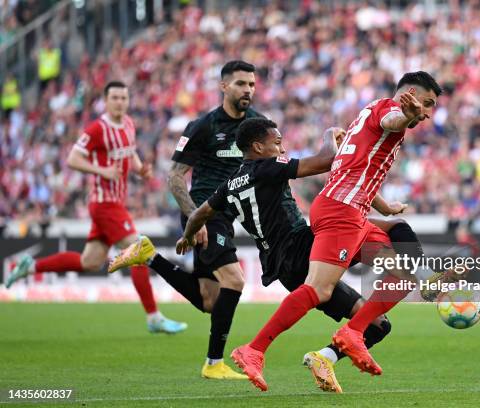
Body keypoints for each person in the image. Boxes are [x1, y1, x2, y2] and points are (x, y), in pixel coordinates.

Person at [116, 118, 425, 392]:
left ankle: (324, 357)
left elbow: (200, 213)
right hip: (299, 247)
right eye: (276, 143)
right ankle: (255, 348)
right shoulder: (267, 169)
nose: (281, 148)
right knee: (381, 230)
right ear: (257, 147)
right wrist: (330, 134)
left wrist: (186, 236)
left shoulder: (229, 185)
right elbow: (327, 161)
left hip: (285, 264)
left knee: (377, 324)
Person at [229, 71, 444, 391]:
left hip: (350, 212)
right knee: (319, 288)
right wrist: (405, 115)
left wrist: (384, 208)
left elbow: (351, 165)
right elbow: (394, 120)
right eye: (426, 104)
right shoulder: (387, 109)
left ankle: (350, 335)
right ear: (409, 94)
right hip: (340, 211)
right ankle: (254, 349)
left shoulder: (367, 116)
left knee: (403, 270)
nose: (427, 113)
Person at [111, 60, 265, 380]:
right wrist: (196, 219)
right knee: (234, 281)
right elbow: (176, 177)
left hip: (228, 217)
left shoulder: (258, 124)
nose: (247, 89)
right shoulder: (204, 125)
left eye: (251, 84)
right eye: (240, 83)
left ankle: (149, 256)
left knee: (210, 301)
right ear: (224, 87)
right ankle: (214, 363)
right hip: (206, 215)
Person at [5, 81, 187, 334]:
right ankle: (153, 317)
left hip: (114, 203)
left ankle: (31, 266)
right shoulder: (97, 128)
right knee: (139, 251)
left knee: (90, 261)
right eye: (115, 98)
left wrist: (139, 169)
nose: (120, 102)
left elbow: (129, 153)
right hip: (104, 203)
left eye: (124, 98)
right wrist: (101, 170)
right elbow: (73, 158)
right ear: (105, 100)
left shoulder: (128, 124)